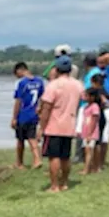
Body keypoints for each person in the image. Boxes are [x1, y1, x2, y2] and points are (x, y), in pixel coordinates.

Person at [37, 55, 80, 193]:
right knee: (65, 156)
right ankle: (64, 183)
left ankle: (54, 185)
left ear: (56, 69)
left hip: (54, 126)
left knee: (53, 157)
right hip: (69, 124)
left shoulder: (53, 85)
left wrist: (41, 127)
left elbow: (46, 109)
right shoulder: (77, 85)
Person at [11, 62, 45, 169]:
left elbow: (18, 101)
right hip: (34, 113)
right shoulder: (39, 81)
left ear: (19, 71)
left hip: (23, 114)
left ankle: (19, 163)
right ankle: (37, 159)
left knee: (20, 139)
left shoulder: (21, 83)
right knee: (32, 137)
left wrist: (14, 118)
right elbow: (43, 98)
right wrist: (40, 110)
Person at [77, 89, 104, 176]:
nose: (84, 97)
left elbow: (94, 121)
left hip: (91, 133)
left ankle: (86, 169)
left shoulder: (95, 106)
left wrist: (89, 134)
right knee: (86, 150)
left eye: (86, 96)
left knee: (88, 150)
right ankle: (92, 167)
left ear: (92, 97)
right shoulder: (86, 106)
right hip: (85, 131)